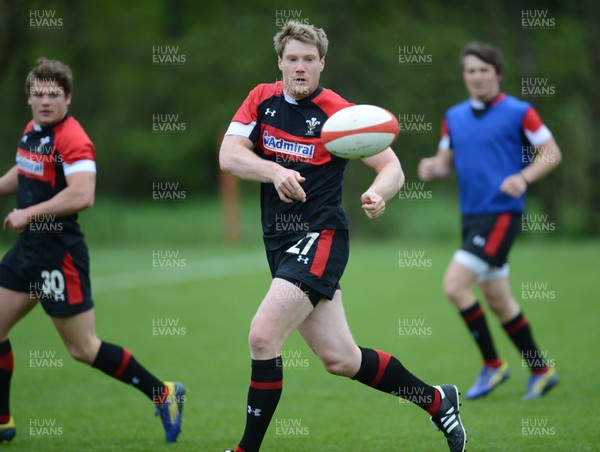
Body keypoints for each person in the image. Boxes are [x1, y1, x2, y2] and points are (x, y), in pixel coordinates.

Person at [219, 21, 466, 452]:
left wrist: (377, 193)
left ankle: (245, 450)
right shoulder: (261, 99)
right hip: (279, 241)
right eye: (292, 59)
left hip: (321, 236)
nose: (300, 68)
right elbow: (229, 155)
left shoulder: (339, 113)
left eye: (308, 60)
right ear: (279, 62)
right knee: (341, 359)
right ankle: (436, 400)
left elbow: (392, 167)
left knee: (262, 336)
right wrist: (274, 170)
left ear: (321, 65)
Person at [0, 58, 185, 443]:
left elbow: (83, 194)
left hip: (58, 257)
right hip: (26, 253)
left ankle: (162, 393)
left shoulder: (73, 137)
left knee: (83, 349)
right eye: (38, 94)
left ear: (68, 97)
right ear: (29, 98)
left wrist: (26, 213)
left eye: (54, 95)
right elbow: (24, 170)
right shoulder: (32, 130)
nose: (45, 101)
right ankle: (3, 422)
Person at [418, 42, 561, 400]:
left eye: (484, 70)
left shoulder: (520, 111)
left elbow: (552, 152)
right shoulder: (453, 116)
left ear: (497, 73)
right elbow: (444, 161)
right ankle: (542, 370)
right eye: (470, 70)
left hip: (501, 215)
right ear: (464, 76)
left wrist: (524, 178)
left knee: (455, 286)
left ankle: (493, 365)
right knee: (498, 300)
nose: (477, 76)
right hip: (471, 217)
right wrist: (432, 168)